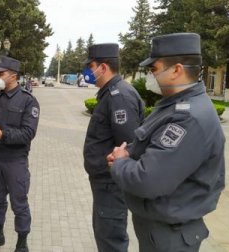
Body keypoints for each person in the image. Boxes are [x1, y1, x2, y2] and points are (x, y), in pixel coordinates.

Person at [107, 33, 225, 252]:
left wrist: (121, 163)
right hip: (162, 230)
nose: (151, 76)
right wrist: (127, 153)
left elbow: (148, 180)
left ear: (177, 70)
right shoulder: (174, 106)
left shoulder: (188, 117)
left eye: (154, 69)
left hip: (170, 237)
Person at [82, 43, 144, 252]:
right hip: (104, 182)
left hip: (112, 183)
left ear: (103, 67)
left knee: (111, 240)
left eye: (91, 66)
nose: (89, 72)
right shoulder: (109, 93)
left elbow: (128, 145)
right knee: (104, 234)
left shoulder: (120, 97)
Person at [0, 55, 40, 252]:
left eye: (0, 73)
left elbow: (29, 133)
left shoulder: (29, 101)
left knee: (19, 203)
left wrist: (2, 134)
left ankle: (22, 243)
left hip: (15, 161)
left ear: (13, 76)